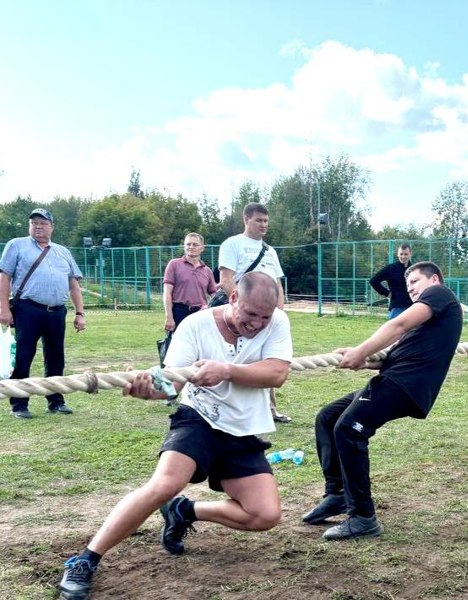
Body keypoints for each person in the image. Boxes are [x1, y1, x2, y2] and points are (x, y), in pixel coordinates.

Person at [56, 273, 293, 600]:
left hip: (244, 428)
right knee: (164, 484)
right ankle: (85, 560)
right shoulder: (195, 326)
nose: (257, 323)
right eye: (250, 314)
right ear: (234, 298)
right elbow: (171, 386)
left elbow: (277, 373)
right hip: (199, 419)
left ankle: (183, 511)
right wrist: (146, 391)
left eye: (264, 317)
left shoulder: (277, 321)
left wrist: (226, 370)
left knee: (265, 515)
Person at [303, 261, 462, 540]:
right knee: (328, 417)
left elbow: (398, 324)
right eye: (407, 283)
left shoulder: (439, 295)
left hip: (405, 386)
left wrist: (361, 349)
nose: (410, 288)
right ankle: (338, 494)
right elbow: (399, 355)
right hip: (394, 379)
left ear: (434, 279)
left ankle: (363, 518)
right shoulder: (427, 320)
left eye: (415, 281)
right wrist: (364, 360)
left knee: (348, 429)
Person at [0, 208, 86, 419]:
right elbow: (4, 277)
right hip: (27, 309)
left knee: (56, 358)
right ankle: (19, 404)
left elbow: (73, 284)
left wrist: (80, 313)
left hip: (56, 312)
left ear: (52, 227)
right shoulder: (16, 245)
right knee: (23, 356)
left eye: (43, 223)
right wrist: (3, 308)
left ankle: (55, 401)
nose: (38, 226)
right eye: (34, 223)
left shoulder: (62, 251)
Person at [219, 202, 291, 423]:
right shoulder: (233, 244)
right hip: (242, 317)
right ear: (246, 220)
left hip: (265, 318)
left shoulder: (270, 251)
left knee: (269, 361)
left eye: (266, 221)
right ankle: (228, 407)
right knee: (236, 361)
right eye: (259, 220)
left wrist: (276, 315)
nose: (263, 225)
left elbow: (277, 284)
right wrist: (244, 312)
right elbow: (226, 280)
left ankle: (270, 409)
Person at [163, 232, 216, 333]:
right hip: (179, 312)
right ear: (184, 247)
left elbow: (214, 295)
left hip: (200, 314)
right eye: (188, 244)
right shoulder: (174, 264)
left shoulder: (207, 271)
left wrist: (208, 307)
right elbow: (167, 293)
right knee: (177, 347)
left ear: (202, 248)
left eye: (195, 244)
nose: (191, 247)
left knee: (200, 346)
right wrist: (169, 317)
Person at [369, 244, 413, 319]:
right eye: (401, 254)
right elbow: (373, 281)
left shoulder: (414, 269)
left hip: (412, 307)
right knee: (394, 330)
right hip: (397, 307)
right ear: (397, 254)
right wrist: (387, 293)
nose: (403, 256)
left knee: (413, 330)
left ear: (410, 254)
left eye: (406, 254)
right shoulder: (390, 268)